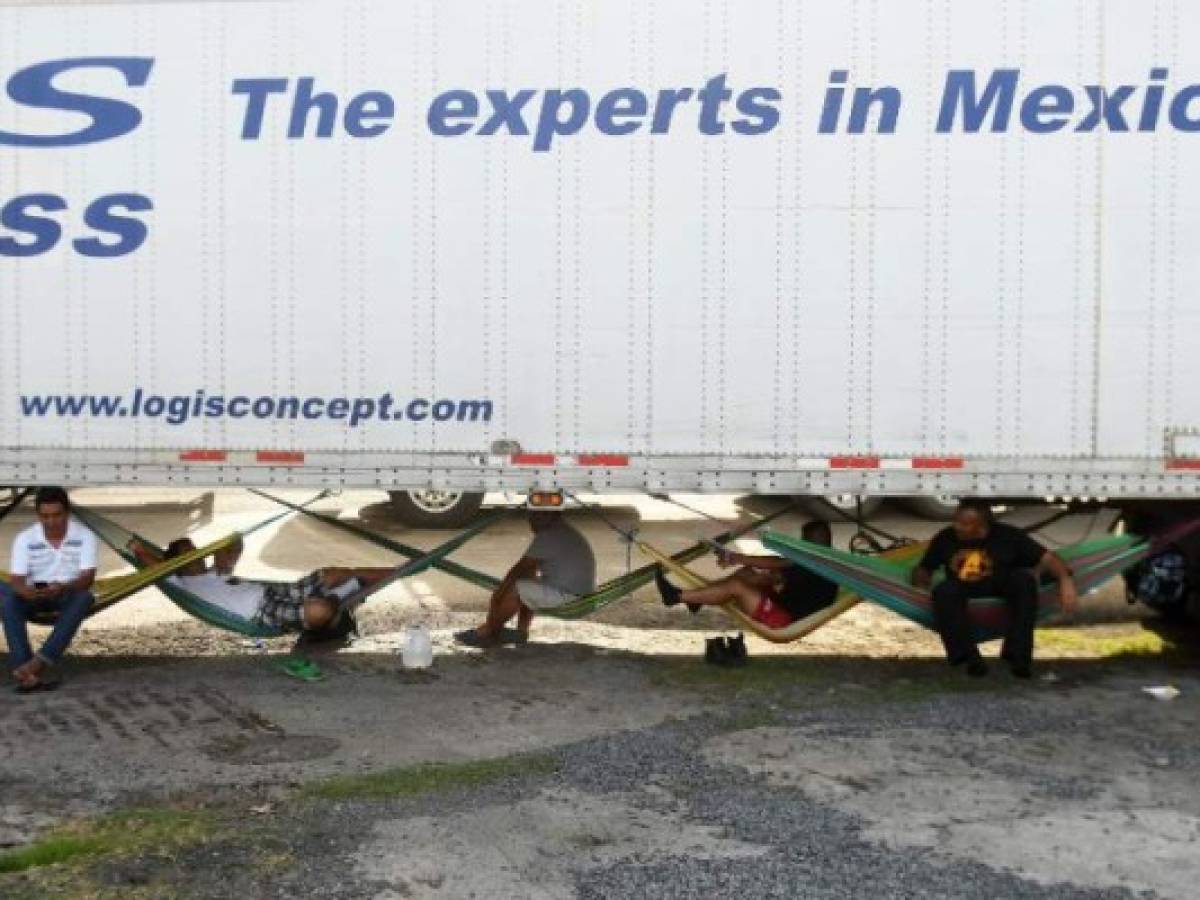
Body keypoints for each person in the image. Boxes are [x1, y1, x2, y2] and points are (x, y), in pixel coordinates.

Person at [911, 498, 1078, 679]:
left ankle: (1017, 655)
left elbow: (1049, 559)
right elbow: (925, 569)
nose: (957, 527)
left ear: (982, 527)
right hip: (961, 588)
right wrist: (918, 586)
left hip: (1001, 585)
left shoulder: (1008, 536)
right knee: (943, 591)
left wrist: (1065, 580)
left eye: (964, 524)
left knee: (1024, 581)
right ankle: (969, 658)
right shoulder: (945, 538)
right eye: (956, 521)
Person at [129, 535, 399, 637]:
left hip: (273, 591)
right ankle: (346, 592)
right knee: (319, 612)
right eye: (188, 553)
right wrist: (137, 549)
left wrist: (216, 551)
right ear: (175, 562)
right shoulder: (179, 582)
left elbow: (236, 543)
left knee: (332, 573)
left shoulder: (216, 572)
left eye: (195, 550)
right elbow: (151, 563)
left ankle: (400, 571)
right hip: (261, 613)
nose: (195, 555)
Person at [653, 520, 840, 629]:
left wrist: (739, 558)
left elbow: (779, 565)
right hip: (782, 604)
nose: (801, 544)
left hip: (784, 619)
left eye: (805, 540)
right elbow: (778, 567)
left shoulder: (816, 565)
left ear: (812, 542)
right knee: (748, 574)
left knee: (737, 586)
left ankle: (677, 596)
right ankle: (698, 598)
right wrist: (741, 561)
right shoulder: (823, 561)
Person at [1, 486, 98, 692]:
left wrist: (64, 587)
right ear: (38, 515)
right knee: (9, 601)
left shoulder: (85, 536)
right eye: (45, 516)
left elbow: (87, 578)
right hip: (34, 592)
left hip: (67, 592)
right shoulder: (25, 539)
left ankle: (39, 663)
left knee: (85, 598)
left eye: (57, 515)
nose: (51, 522)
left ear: (67, 513)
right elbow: (16, 579)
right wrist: (24, 591)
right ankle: (26, 669)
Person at [455, 510, 596, 648]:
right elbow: (528, 570)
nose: (530, 522)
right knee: (527, 583)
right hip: (579, 594)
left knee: (516, 588)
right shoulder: (562, 530)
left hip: (571, 598)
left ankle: (488, 632)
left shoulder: (550, 535)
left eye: (534, 516)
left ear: (548, 515)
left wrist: (499, 594)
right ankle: (520, 632)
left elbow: (519, 569)